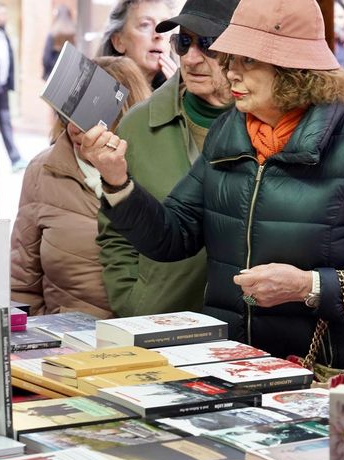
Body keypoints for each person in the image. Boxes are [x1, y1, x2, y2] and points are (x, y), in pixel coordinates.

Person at [83, 0, 344, 386]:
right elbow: (173, 236)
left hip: (335, 378)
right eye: (231, 59)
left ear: (293, 71)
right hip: (246, 371)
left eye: (247, 62)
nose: (230, 71)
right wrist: (118, 182)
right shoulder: (229, 132)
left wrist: (308, 286)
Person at [96, 0, 238, 317]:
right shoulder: (138, 124)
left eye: (209, 44)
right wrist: (134, 301)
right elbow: (115, 233)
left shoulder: (262, 126)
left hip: (247, 335)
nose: (190, 57)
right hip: (160, 326)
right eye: (183, 42)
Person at [10, 57, 151, 319]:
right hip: (67, 343)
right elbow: (22, 284)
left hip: (144, 337)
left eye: (90, 116)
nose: (75, 128)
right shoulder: (43, 171)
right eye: (68, 113)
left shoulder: (156, 168)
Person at [99, 0, 177, 90]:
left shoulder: (182, 91)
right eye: (145, 25)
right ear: (118, 42)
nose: (159, 35)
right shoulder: (102, 93)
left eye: (165, 26)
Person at [0, 2, 25, 171]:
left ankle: (15, 158)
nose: (3, 17)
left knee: (5, 122)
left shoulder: (4, 35)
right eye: (0, 14)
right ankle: (15, 158)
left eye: (5, 14)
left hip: (2, 87)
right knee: (1, 123)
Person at [42, 5, 76, 81]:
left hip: (53, 75)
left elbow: (46, 59)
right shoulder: (73, 35)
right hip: (69, 76)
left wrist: (46, 72)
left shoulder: (52, 34)